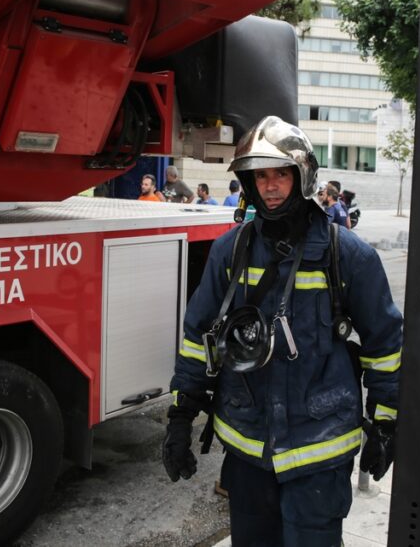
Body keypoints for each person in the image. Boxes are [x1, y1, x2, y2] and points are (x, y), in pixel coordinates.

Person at [162, 116, 402, 545]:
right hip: (247, 447)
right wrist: (181, 415)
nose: (270, 186)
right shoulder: (229, 249)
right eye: (260, 176)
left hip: (319, 452)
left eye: (281, 175)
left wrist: (386, 423)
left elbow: (385, 345)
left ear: (302, 175)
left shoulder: (347, 255)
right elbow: (199, 334)